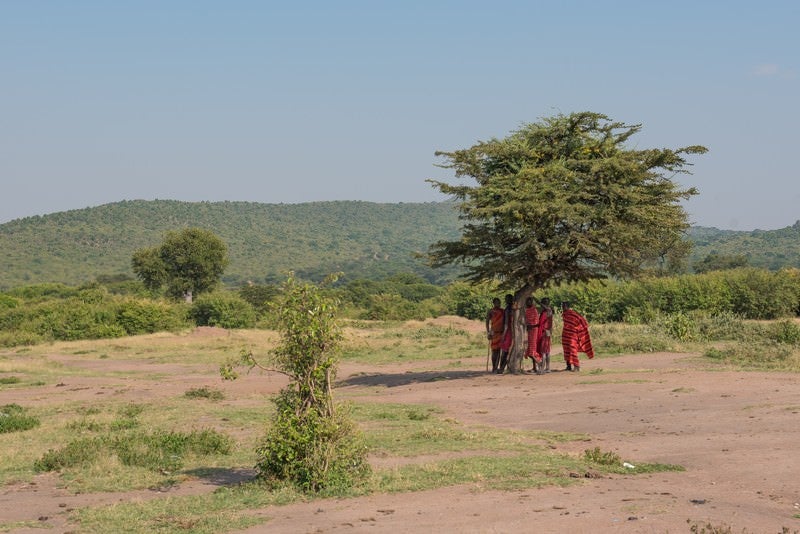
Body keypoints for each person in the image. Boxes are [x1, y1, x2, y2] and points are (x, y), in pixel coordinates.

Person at [560, 301, 594, 372]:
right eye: (562, 306)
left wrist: (579, 330)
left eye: (564, 306)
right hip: (565, 335)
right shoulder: (564, 314)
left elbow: (582, 321)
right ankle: (568, 366)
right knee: (566, 351)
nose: (563, 307)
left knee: (573, 350)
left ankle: (577, 366)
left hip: (573, 336)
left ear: (568, 306)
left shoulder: (573, 314)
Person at [485, 298, 505, 373]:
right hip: (493, 333)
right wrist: (488, 332)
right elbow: (487, 322)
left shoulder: (503, 311)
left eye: (499, 302)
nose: (498, 304)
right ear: (493, 303)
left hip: (501, 333)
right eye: (496, 302)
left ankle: (498, 367)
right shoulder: (491, 311)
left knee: (500, 351)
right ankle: (494, 367)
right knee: (494, 351)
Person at [497, 294, 514, 373]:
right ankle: (503, 368)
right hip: (513, 332)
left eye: (507, 299)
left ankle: (502, 368)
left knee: (505, 352)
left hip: (508, 332)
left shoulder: (508, 309)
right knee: (507, 351)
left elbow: (506, 324)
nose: (506, 300)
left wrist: (503, 335)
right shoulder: (514, 308)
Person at [524, 296, 541, 373]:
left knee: (532, 351)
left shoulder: (534, 310)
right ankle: (535, 368)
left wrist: (531, 326)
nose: (528, 303)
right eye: (527, 301)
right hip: (527, 332)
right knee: (529, 351)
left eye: (530, 301)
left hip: (533, 331)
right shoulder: (526, 310)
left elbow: (537, 323)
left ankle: (540, 365)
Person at [536, 297, 553, 373]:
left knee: (544, 351)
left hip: (545, 332)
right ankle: (547, 368)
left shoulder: (549, 310)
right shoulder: (545, 312)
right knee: (547, 351)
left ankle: (542, 369)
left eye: (544, 303)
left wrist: (537, 300)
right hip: (546, 332)